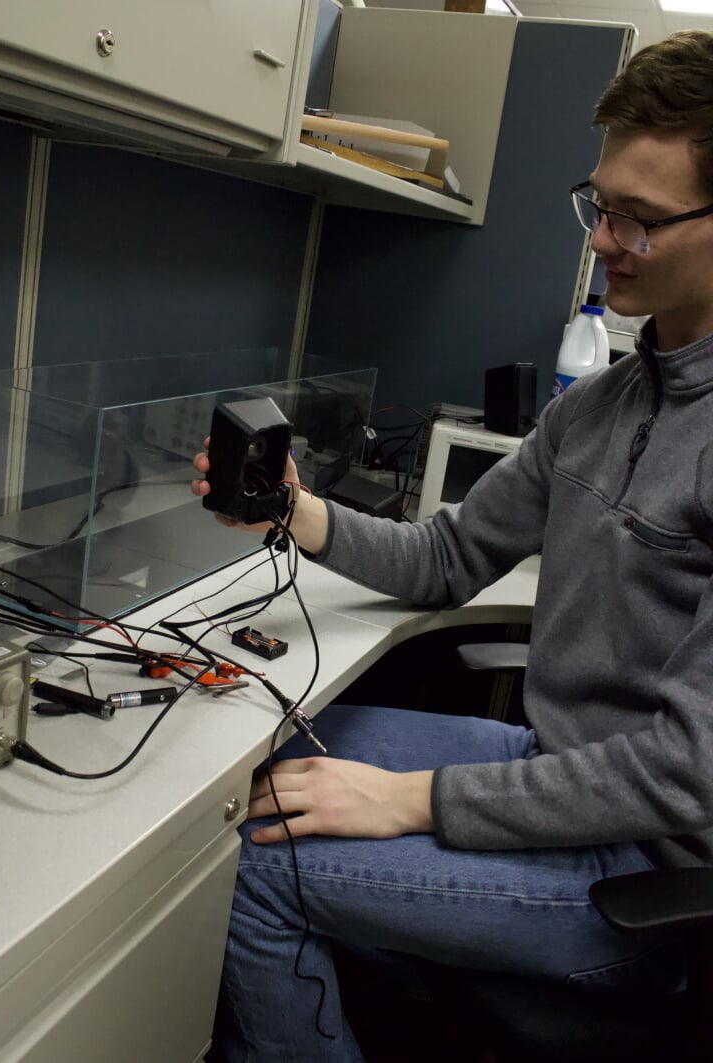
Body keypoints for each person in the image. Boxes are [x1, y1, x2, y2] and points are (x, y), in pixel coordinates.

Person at [192, 31, 713, 1061]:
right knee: (273, 765)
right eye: (598, 204)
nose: (603, 241)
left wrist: (410, 801)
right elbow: (447, 558)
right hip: (556, 776)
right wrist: (294, 510)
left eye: (641, 220)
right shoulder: (598, 406)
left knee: (251, 862)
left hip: (645, 877)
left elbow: (686, 773)